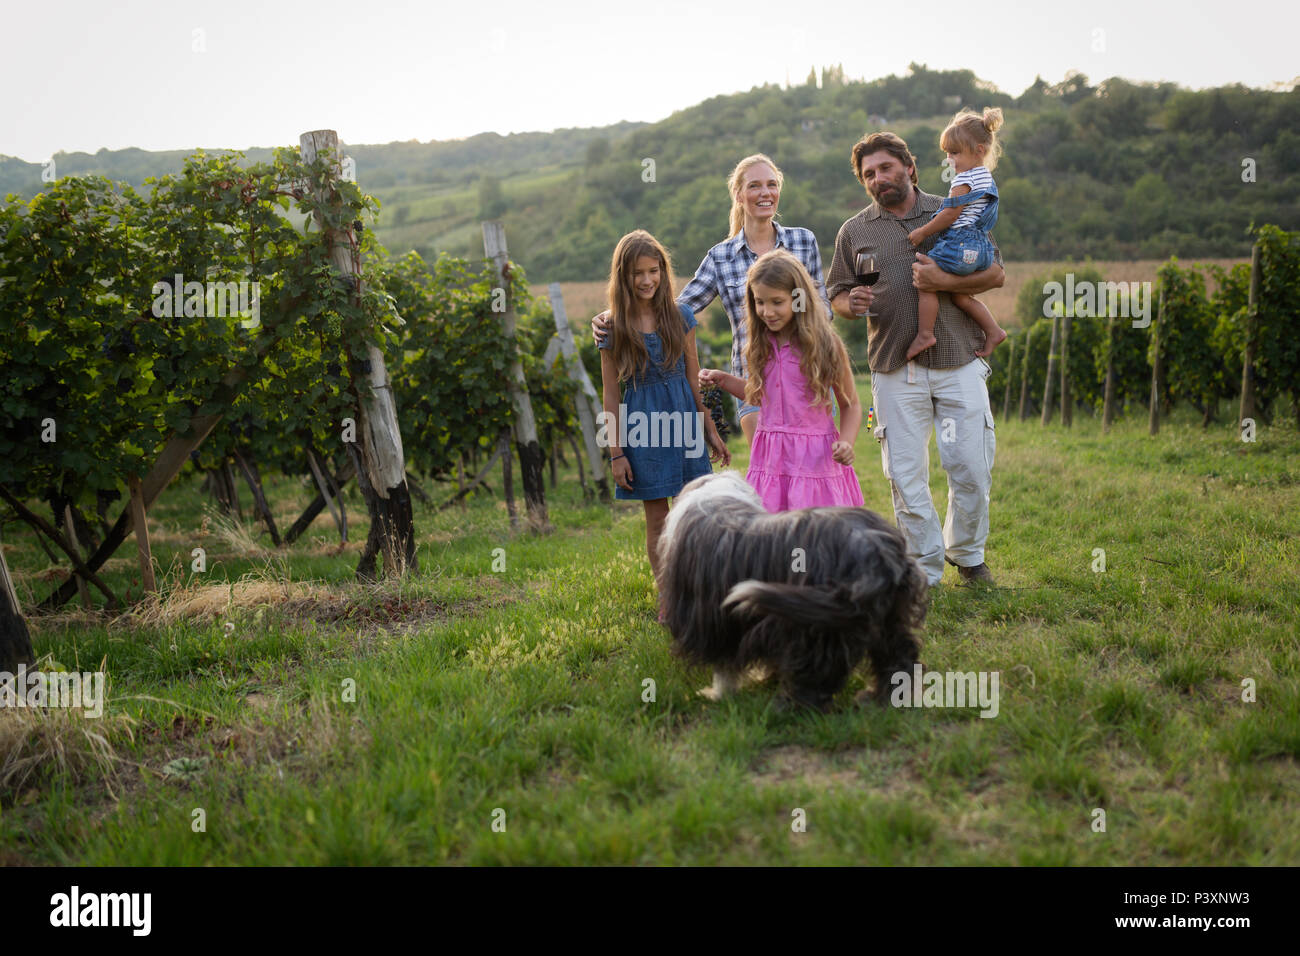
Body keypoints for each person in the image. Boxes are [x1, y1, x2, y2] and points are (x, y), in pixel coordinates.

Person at [826, 131, 1005, 588]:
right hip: (892, 368)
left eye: (886, 168)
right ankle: (924, 570)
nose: (878, 178)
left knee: (970, 465)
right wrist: (853, 303)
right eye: (868, 174)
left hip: (959, 358)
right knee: (904, 476)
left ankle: (967, 555)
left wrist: (940, 280)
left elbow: (995, 273)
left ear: (909, 166)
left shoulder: (955, 205)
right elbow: (837, 297)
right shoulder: (854, 231)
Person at [592, 154, 830, 447]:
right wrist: (615, 314)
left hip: (806, 379)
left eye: (771, 185)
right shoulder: (720, 257)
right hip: (753, 384)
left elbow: (823, 311)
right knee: (768, 476)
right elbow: (675, 310)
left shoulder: (803, 242)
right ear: (739, 195)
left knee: (813, 475)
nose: (765, 193)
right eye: (755, 186)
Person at [597, 230, 730, 606]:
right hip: (643, 427)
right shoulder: (611, 328)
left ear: (663, 271)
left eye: (653, 271)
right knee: (657, 518)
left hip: (685, 421)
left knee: (697, 513)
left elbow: (693, 379)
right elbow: (610, 394)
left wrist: (711, 430)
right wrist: (616, 452)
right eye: (637, 273)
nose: (646, 280)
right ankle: (668, 596)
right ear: (623, 277)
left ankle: (702, 589)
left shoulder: (681, 316)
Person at [700, 250, 863, 512]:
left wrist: (846, 441)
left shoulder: (825, 344)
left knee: (815, 532)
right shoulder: (760, 344)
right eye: (760, 302)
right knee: (774, 535)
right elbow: (758, 395)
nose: (767, 311)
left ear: (798, 298)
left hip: (814, 458)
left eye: (777, 302)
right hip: (771, 460)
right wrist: (723, 379)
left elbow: (851, 404)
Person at [905, 108, 1008, 361]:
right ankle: (993, 330)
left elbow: (950, 215)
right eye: (947, 153)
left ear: (979, 151)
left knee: (925, 277)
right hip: (981, 249)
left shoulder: (963, 180)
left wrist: (922, 232)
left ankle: (925, 334)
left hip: (960, 245)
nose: (949, 159)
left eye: (955, 153)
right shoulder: (986, 177)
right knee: (961, 296)